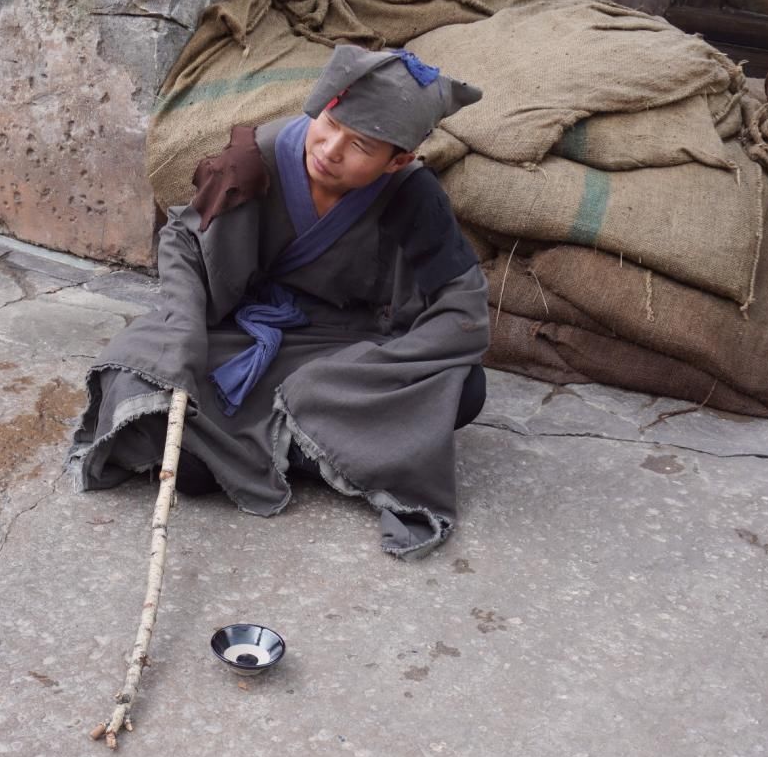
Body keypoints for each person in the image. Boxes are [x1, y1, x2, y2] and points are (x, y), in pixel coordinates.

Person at [67, 45, 490, 558]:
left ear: (396, 159)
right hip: (245, 329)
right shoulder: (258, 157)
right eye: (331, 123)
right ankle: (305, 449)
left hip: (345, 345)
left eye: (360, 144)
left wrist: (378, 365)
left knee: (465, 389)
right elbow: (183, 239)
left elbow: (463, 312)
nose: (331, 149)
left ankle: (244, 450)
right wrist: (183, 330)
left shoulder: (412, 195)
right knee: (140, 364)